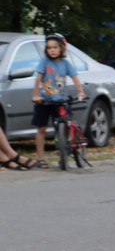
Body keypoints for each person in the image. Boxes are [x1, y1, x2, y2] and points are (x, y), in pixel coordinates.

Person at [31, 33, 86, 168]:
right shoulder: (44, 61)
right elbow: (38, 78)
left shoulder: (66, 63)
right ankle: (40, 159)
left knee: (62, 127)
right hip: (45, 101)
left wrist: (80, 91)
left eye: (55, 47)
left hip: (61, 101)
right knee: (41, 128)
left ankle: (63, 155)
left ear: (61, 48)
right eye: (49, 48)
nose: (52, 50)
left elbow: (75, 78)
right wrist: (35, 95)